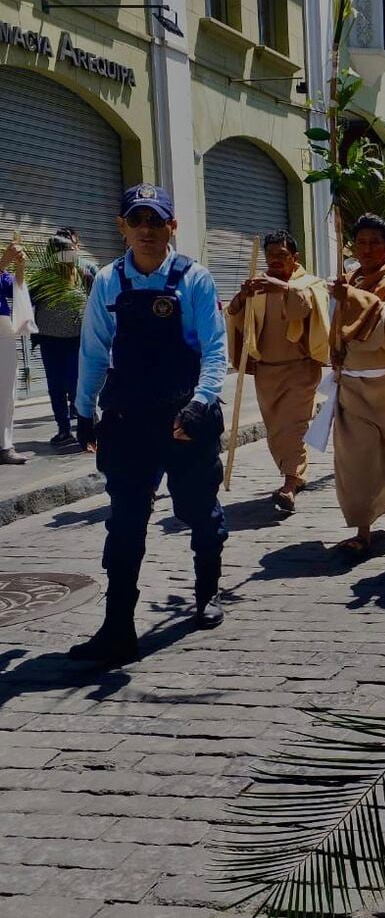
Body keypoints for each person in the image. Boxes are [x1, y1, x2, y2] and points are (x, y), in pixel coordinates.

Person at [71, 184, 228, 664]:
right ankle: (117, 628)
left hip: (185, 418)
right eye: (137, 220)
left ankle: (207, 590)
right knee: (125, 523)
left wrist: (200, 404)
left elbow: (215, 350)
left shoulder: (194, 278)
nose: (147, 230)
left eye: (156, 220)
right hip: (129, 419)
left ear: (171, 226)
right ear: (122, 227)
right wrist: (84, 411)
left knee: (197, 510)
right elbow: (94, 351)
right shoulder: (108, 281)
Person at [325, 214, 385, 556]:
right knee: (357, 459)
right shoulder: (350, 279)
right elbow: (338, 327)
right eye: (361, 243)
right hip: (354, 387)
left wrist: (354, 298)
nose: (367, 250)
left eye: (375, 243)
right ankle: (362, 528)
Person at [225, 230, 330, 514]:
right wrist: (242, 297)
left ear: (294, 257)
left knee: (294, 426)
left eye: (281, 255)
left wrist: (282, 288)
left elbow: (308, 307)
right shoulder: (258, 285)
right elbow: (235, 315)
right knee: (275, 429)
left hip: (300, 368)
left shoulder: (310, 284)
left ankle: (289, 485)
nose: (275, 260)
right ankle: (295, 474)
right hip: (267, 370)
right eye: (270, 255)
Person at [30, 229, 95, 447]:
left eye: (66, 249)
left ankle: (88, 426)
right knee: (56, 386)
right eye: (58, 250)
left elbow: (100, 295)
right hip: (50, 340)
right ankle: (64, 430)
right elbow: (26, 298)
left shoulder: (85, 270)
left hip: (78, 339)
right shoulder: (42, 276)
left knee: (80, 384)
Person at [0, 239, 34, 465]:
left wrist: (20, 265)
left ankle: (5, 446)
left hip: (2, 325)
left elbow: (16, 287)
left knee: (6, 389)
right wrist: (4, 261)